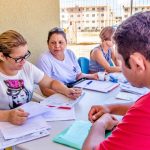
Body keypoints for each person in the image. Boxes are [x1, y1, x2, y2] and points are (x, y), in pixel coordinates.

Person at [83, 11, 150, 150]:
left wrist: (100, 124)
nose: (119, 65)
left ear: (137, 63)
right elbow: (140, 105)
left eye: (120, 60)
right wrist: (111, 107)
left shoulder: (142, 115)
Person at [0, 30, 81, 125]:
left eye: (25, 55)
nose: (24, 61)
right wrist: (8, 116)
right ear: (2, 56)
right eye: (18, 58)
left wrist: (66, 90)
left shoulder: (27, 67)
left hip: (27, 123)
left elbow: (50, 82)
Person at [36, 27, 98, 96]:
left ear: (66, 43)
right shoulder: (44, 59)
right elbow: (45, 90)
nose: (57, 46)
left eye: (60, 42)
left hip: (73, 90)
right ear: (48, 44)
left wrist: (93, 76)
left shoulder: (70, 53)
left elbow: (78, 75)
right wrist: (66, 95)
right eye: (53, 43)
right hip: (57, 95)